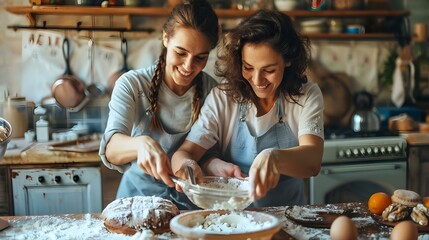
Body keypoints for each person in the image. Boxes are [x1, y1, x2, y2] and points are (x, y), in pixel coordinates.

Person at [171, 9, 324, 207]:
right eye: (248, 67)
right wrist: (189, 167)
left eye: (269, 70)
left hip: (288, 217)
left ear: (288, 60)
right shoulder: (222, 97)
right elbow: (184, 154)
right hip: (233, 219)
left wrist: (274, 157)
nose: (257, 80)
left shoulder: (306, 96)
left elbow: (312, 161)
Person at [99, 0, 220, 210]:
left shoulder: (213, 91)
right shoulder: (132, 85)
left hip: (192, 206)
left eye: (200, 58)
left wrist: (205, 165)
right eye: (181, 53)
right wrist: (141, 143)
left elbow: (211, 153)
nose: (188, 66)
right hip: (137, 203)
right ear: (166, 38)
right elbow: (111, 150)